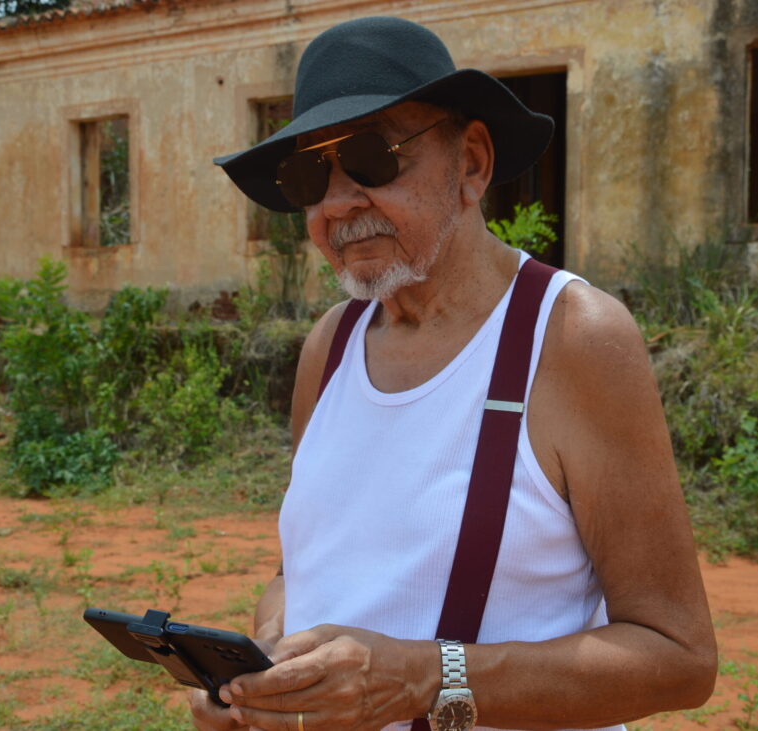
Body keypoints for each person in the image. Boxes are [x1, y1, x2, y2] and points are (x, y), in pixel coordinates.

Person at [193, 16, 717, 731]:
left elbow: (679, 657)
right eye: (309, 176)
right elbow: (302, 572)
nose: (338, 202)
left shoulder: (569, 339)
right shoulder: (331, 347)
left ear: (470, 164)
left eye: (372, 158)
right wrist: (266, 672)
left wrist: (426, 679)